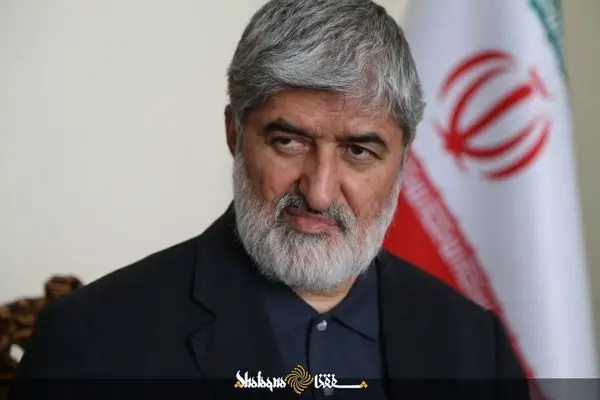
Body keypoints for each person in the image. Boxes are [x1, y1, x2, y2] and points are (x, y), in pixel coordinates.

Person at [12, 0, 529, 399]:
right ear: (234, 132)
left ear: (404, 160)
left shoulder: (476, 349)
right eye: (289, 142)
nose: (319, 192)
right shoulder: (93, 342)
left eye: (359, 151)